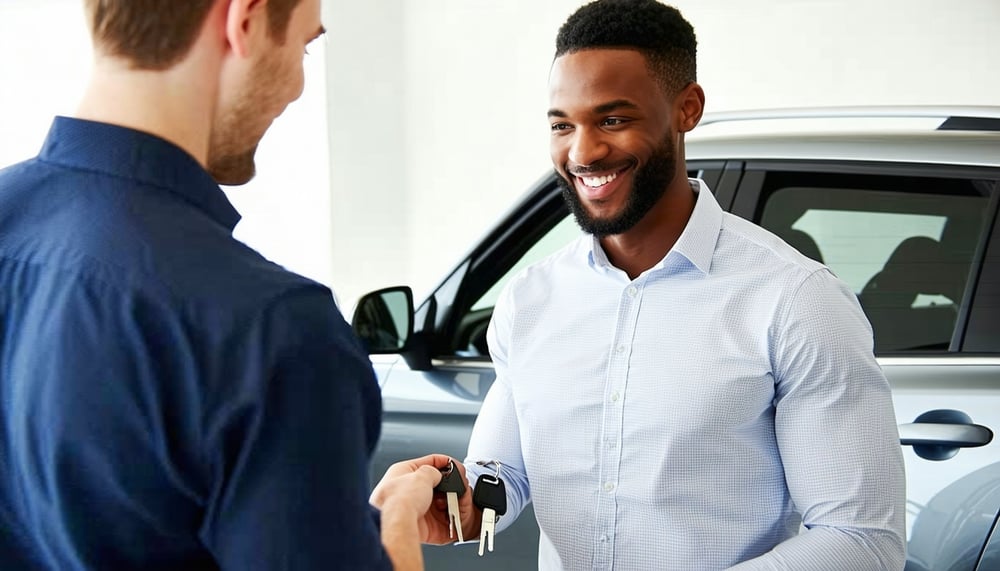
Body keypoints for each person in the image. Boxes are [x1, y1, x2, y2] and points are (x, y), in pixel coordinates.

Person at [382, 0, 907, 569]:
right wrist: (451, 500)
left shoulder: (795, 301)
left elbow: (860, 539)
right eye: (563, 124)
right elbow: (504, 477)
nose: (582, 153)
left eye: (612, 120)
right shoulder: (530, 300)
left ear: (687, 108)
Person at [0, 1, 442, 569]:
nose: (298, 86)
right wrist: (398, 519)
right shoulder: (275, 330)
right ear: (246, 21)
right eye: (304, 46)